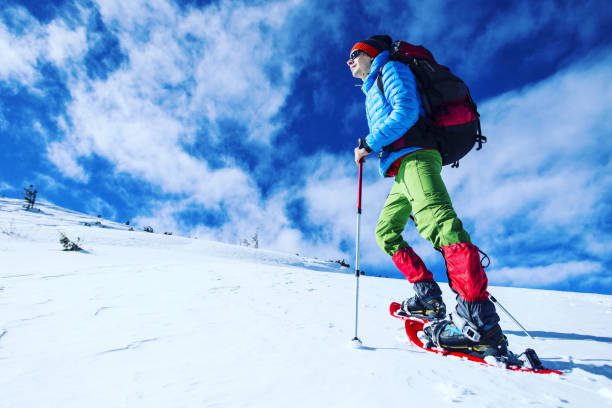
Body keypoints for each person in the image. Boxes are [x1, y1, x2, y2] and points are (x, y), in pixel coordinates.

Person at [347, 35, 508, 357]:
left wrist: (370, 143)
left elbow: (406, 112)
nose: (349, 61)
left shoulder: (390, 69)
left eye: (355, 54)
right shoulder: (373, 85)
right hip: (400, 167)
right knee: (386, 232)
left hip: (417, 156)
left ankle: (480, 326)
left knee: (441, 225)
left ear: (371, 54)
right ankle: (428, 299)